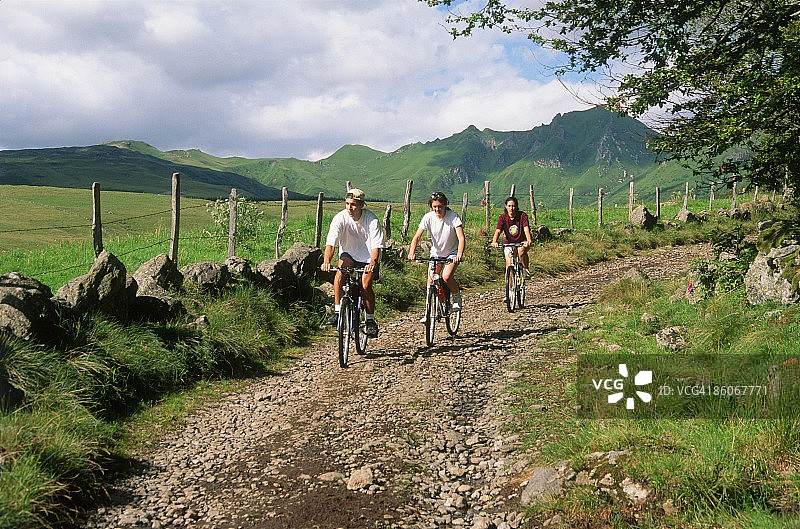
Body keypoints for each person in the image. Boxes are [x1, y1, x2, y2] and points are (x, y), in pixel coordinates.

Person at [321, 188, 384, 337]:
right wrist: (326, 261)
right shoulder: (340, 218)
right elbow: (331, 244)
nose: (350, 207)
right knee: (339, 275)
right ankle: (338, 312)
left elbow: (376, 247)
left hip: (369, 256)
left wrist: (372, 264)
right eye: (347, 203)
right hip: (349, 253)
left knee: (365, 285)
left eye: (354, 204)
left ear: (362, 205)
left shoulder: (372, 219)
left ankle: (369, 321)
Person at [407, 192, 466, 321]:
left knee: (446, 276)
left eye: (440, 206)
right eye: (434, 207)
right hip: (436, 254)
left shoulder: (453, 217)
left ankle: (456, 297)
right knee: (430, 281)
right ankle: (428, 313)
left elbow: (461, 237)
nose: (437, 209)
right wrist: (412, 252)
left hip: (452, 253)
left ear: (445, 205)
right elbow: (417, 236)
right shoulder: (428, 217)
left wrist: (459, 255)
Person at [490, 196, 533, 280]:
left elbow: (526, 229)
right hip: (509, 243)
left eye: (513, 206)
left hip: (521, 242)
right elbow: (498, 231)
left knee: (521, 252)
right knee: (509, 264)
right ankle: (510, 289)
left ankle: (525, 269)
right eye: (509, 206)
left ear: (516, 206)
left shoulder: (522, 216)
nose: (511, 208)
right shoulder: (502, 217)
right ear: (506, 206)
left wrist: (528, 240)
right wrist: (494, 241)